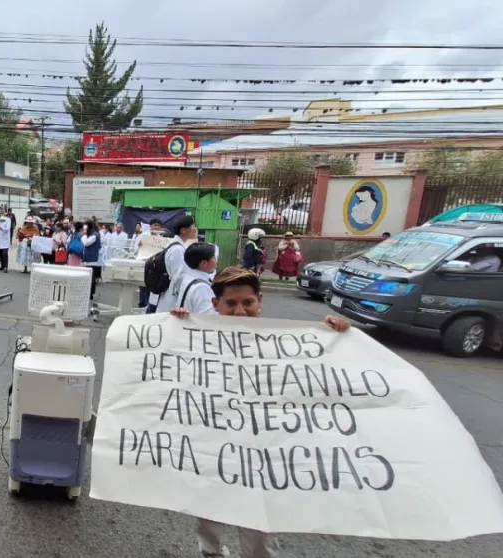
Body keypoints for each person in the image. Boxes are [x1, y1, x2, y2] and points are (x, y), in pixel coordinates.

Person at [169, 266, 351, 558]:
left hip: (262, 450)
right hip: (212, 443)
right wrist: (176, 326)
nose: (240, 311)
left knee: (258, 522)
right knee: (208, 508)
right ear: (215, 305)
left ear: (260, 301)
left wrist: (334, 334)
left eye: (248, 303)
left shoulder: (283, 342)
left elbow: (320, 371)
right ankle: (210, 552)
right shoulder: (199, 336)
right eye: (231, 304)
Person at [155, 215, 198, 314]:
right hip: (173, 296)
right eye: (193, 227)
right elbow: (178, 277)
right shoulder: (178, 249)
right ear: (183, 230)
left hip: (172, 294)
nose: (195, 230)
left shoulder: (178, 246)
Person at [137, 219, 166, 312]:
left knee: (153, 287)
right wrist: (139, 244)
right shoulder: (144, 236)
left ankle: (150, 308)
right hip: (145, 263)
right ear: (150, 226)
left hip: (156, 266)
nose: (156, 227)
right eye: (154, 225)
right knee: (144, 286)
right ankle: (142, 305)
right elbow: (136, 248)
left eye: (158, 225)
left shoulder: (164, 237)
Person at [81, 220, 103, 299]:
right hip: (89, 259)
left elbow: (86, 243)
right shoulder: (91, 234)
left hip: (92, 259)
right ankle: (89, 293)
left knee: (90, 278)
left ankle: (90, 294)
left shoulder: (94, 235)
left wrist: (83, 236)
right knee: (89, 278)